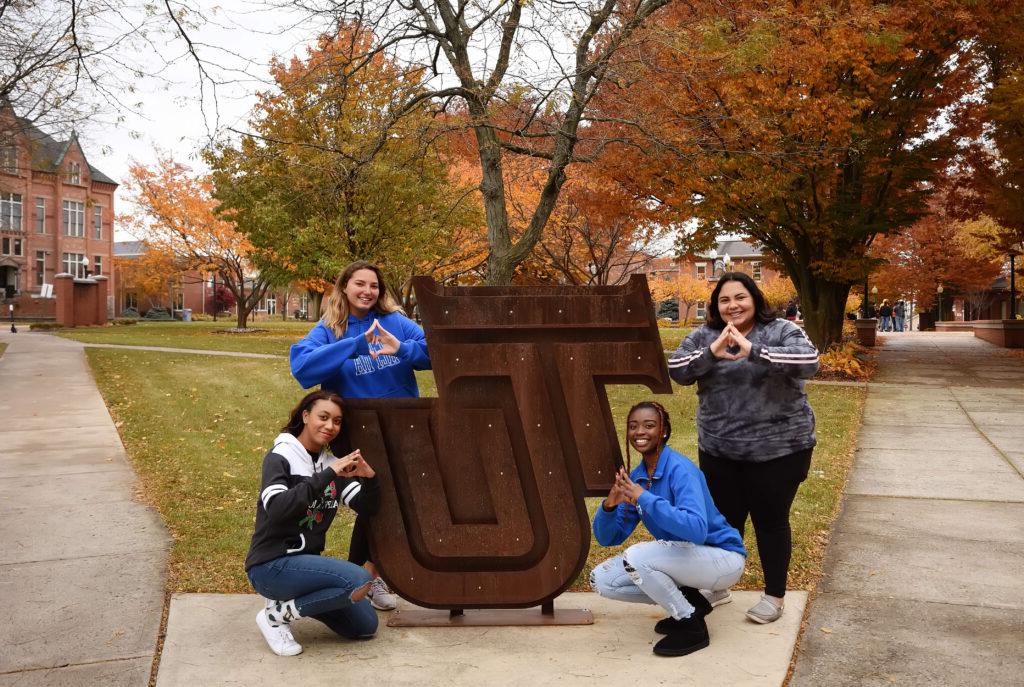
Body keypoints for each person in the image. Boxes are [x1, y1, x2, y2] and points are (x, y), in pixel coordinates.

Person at [667, 271, 818, 624]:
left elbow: (809, 361)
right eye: (724, 300)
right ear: (716, 306)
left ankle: (774, 596)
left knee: (770, 522)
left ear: (754, 299)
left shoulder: (781, 330)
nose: (732, 305)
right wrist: (713, 352)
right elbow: (676, 369)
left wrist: (753, 350)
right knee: (723, 522)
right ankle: (718, 585)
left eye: (740, 297)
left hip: (780, 450)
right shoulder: (704, 336)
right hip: (720, 450)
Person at [290, 260, 430, 611]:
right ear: (345, 287)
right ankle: (366, 577)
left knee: (390, 502)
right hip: (357, 432)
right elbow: (303, 369)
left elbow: (434, 350)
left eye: (374, 286)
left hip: (401, 429)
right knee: (378, 501)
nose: (368, 291)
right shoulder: (330, 328)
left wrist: (403, 349)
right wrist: (352, 345)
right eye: (360, 284)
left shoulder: (395, 322)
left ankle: (365, 576)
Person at [590, 401, 746, 657]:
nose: (640, 431)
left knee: (637, 557)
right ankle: (692, 602)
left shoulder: (680, 469)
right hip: (683, 560)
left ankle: (690, 623)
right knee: (603, 580)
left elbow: (696, 530)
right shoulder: (639, 477)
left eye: (649, 425)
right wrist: (609, 506)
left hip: (721, 559)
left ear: (663, 431)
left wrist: (645, 498)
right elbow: (610, 538)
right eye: (633, 426)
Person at [245, 390, 381, 656]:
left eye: (337, 421)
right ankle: (275, 617)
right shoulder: (281, 456)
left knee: (365, 625)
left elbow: (368, 508)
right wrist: (328, 475)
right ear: (306, 416)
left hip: (306, 569)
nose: (330, 426)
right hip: (271, 565)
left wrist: (370, 478)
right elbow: (277, 509)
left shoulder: (330, 464)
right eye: (323, 417)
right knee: (359, 581)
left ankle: (289, 604)